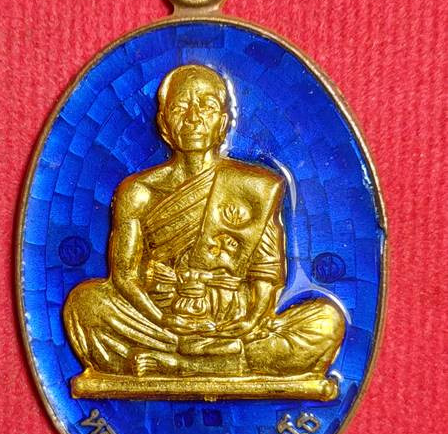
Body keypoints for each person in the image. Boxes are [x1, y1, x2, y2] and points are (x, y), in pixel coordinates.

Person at [63, 64, 345, 383]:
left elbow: (265, 276)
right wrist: (165, 321)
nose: (193, 118)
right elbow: (125, 277)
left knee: (326, 321)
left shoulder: (255, 188)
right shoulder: (138, 192)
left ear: (222, 123)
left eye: (207, 107)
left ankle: (181, 365)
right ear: (164, 124)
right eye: (180, 108)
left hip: (231, 320)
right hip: (159, 319)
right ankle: (215, 359)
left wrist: (251, 320)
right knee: (85, 305)